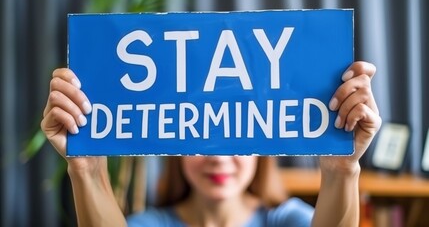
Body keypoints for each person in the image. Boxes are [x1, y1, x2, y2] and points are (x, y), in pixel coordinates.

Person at [41, 61, 382, 227]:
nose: (219, 159)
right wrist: (85, 168)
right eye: (202, 140)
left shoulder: (287, 219)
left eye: (234, 141)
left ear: (260, 152)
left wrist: (343, 168)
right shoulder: (148, 224)